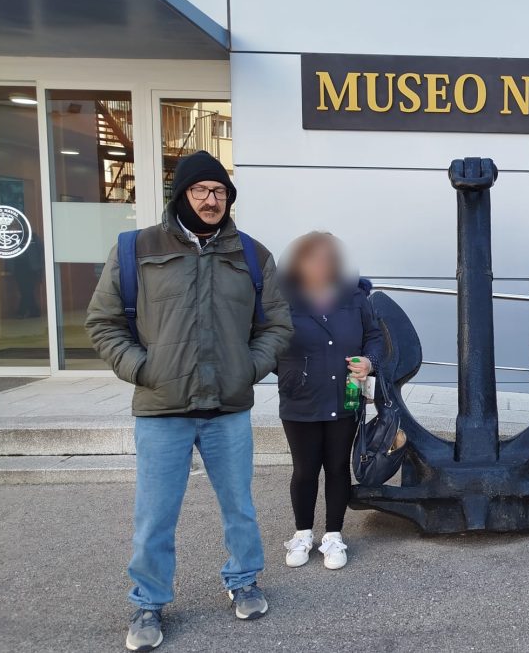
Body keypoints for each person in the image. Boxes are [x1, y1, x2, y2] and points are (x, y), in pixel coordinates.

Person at [86, 150, 292, 651]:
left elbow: (277, 326)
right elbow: (103, 322)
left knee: (240, 507)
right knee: (155, 515)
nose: (211, 199)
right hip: (163, 408)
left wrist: (247, 367)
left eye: (220, 192)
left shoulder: (251, 254)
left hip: (228, 410)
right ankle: (148, 602)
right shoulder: (136, 249)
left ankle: (243, 580)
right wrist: (142, 368)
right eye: (201, 190)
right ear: (182, 195)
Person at [277, 232, 383, 571]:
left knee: (337, 468)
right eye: (314, 257)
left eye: (329, 258)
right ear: (300, 262)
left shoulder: (355, 297)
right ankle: (303, 533)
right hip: (301, 398)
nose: (322, 264)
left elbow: (375, 337)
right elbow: (264, 341)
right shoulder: (283, 300)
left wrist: (370, 362)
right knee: (305, 470)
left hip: (345, 395)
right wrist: (288, 373)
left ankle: (333, 535)